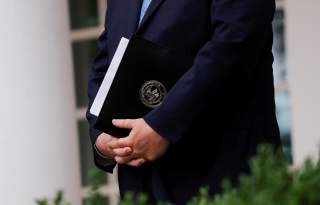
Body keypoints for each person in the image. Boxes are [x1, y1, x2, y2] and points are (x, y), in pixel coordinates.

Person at [86, 0, 282, 204]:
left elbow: (236, 41)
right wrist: (101, 133)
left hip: (223, 173)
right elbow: (106, 61)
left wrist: (163, 125)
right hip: (139, 185)